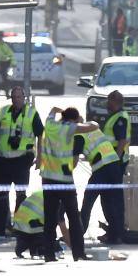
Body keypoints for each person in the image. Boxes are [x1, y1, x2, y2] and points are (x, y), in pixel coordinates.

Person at [40, 107, 98, 262]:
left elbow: (51, 111)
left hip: (47, 178)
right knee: (73, 216)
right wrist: (82, 121)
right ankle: (78, 253)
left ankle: (49, 254)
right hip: (64, 180)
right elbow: (93, 127)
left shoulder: (50, 124)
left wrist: (57, 110)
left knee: (50, 218)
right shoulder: (69, 128)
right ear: (73, 119)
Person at [0, 86, 44, 238]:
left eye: (19, 97)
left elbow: (40, 136)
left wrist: (40, 157)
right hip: (4, 160)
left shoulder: (31, 113)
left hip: (22, 160)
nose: (16, 100)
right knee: (1, 195)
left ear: (24, 98)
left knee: (20, 195)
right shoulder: (4, 111)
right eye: (14, 97)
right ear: (11, 98)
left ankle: (19, 229)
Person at [75, 122, 125, 244]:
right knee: (112, 202)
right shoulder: (92, 128)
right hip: (114, 166)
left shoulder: (78, 135)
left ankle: (78, 233)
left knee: (88, 201)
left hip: (101, 170)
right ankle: (116, 235)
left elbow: (73, 161)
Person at [12, 190, 70, 259]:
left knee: (29, 237)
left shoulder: (42, 192)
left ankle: (25, 245)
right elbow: (59, 223)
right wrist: (71, 245)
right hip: (33, 226)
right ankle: (39, 248)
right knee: (50, 237)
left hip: (19, 225)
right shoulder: (59, 200)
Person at [103, 90, 131, 173]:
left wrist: (116, 160)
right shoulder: (116, 115)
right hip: (111, 157)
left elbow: (122, 141)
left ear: (114, 102)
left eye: (109, 101)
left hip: (115, 158)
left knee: (114, 185)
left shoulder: (120, 118)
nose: (107, 103)